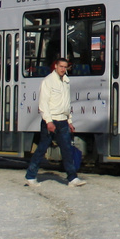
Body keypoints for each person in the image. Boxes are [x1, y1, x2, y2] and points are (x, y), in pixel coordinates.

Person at [27, 56, 84, 187]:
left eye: (65, 67)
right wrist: (48, 121)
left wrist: (69, 120)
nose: (63, 69)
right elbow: (43, 104)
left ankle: (72, 178)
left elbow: (66, 103)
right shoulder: (48, 81)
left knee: (67, 150)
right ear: (56, 67)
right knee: (42, 148)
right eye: (61, 66)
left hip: (63, 120)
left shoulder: (66, 81)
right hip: (51, 121)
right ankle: (30, 176)